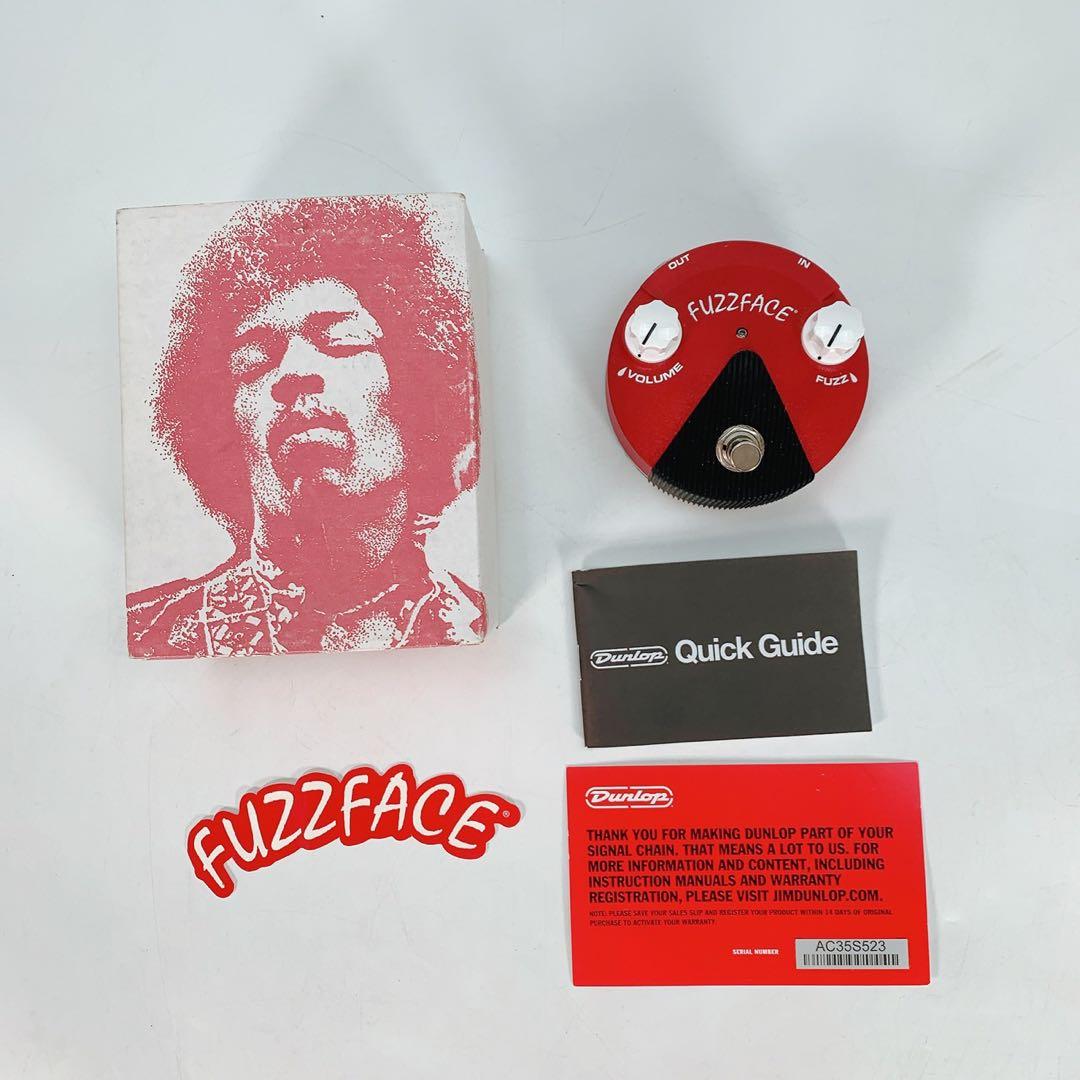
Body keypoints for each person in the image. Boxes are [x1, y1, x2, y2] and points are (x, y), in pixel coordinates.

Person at [127, 197, 485, 657]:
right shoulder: (152, 635)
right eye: (254, 360)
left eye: (341, 340)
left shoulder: (471, 627)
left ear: (420, 396)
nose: (293, 372)